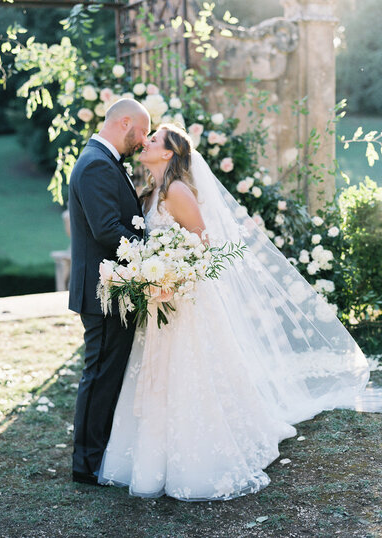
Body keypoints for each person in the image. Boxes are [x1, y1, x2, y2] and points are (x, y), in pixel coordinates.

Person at [98, 124, 370, 500]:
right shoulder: (151, 193)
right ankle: (151, 456)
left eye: (155, 139)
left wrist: (173, 276)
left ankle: (201, 455)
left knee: (191, 371)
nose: (146, 142)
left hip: (183, 300)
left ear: (169, 154)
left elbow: (203, 243)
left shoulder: (177, 191)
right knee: (156, 375)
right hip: (158, 302)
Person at [68, 98, 150, 485]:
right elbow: (106, 230)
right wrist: (151, 254)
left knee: (106, 374)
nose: (143, 140)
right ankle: (86, 465)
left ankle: (97, 455)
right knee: (99, 375)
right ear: (126, 122)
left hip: (112, 288)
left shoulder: (101, 160)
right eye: (143, 132)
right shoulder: (97, 164)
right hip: (102, 293)